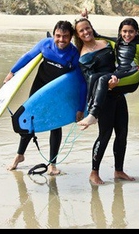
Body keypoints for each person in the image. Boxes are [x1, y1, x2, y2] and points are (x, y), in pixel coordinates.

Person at [6, 20, 87, 175]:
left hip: (57, 93)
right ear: (53, 34)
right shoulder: (45, 45)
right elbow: (28, 56)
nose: (61, 40)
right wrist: (12, 72)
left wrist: (80, 108)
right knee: (29, 120)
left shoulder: (73, 54)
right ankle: (19, 155)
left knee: (55, 125)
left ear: (71, 37)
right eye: (57, 36)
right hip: (39, 88)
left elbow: (81, 82)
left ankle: (52, 164)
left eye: (65, 36)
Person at [73, 17, 136, 185]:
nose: (86, 32)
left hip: (118, 91)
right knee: (105, 134)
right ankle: (94, 172)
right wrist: (107, 88)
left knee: (122, 133)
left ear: (92, 28)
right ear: (78, 35)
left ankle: (119, 170)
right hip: (104, 97)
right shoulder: (83, 56)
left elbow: (123, 57)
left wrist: (134, 67)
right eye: (81, 31)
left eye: (87, 28)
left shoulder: (106, 43)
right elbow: (90, 81)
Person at [77, 17, 139, 130]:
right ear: (120, 32)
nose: (127, 34)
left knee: (103, 79)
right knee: (95, 77)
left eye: (131, 31)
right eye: (124, 31)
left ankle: (93, 115)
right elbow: (95, 34)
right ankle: (91, 113)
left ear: (136, 32)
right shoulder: (115, 43)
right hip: (115, 81)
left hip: (129, 77)